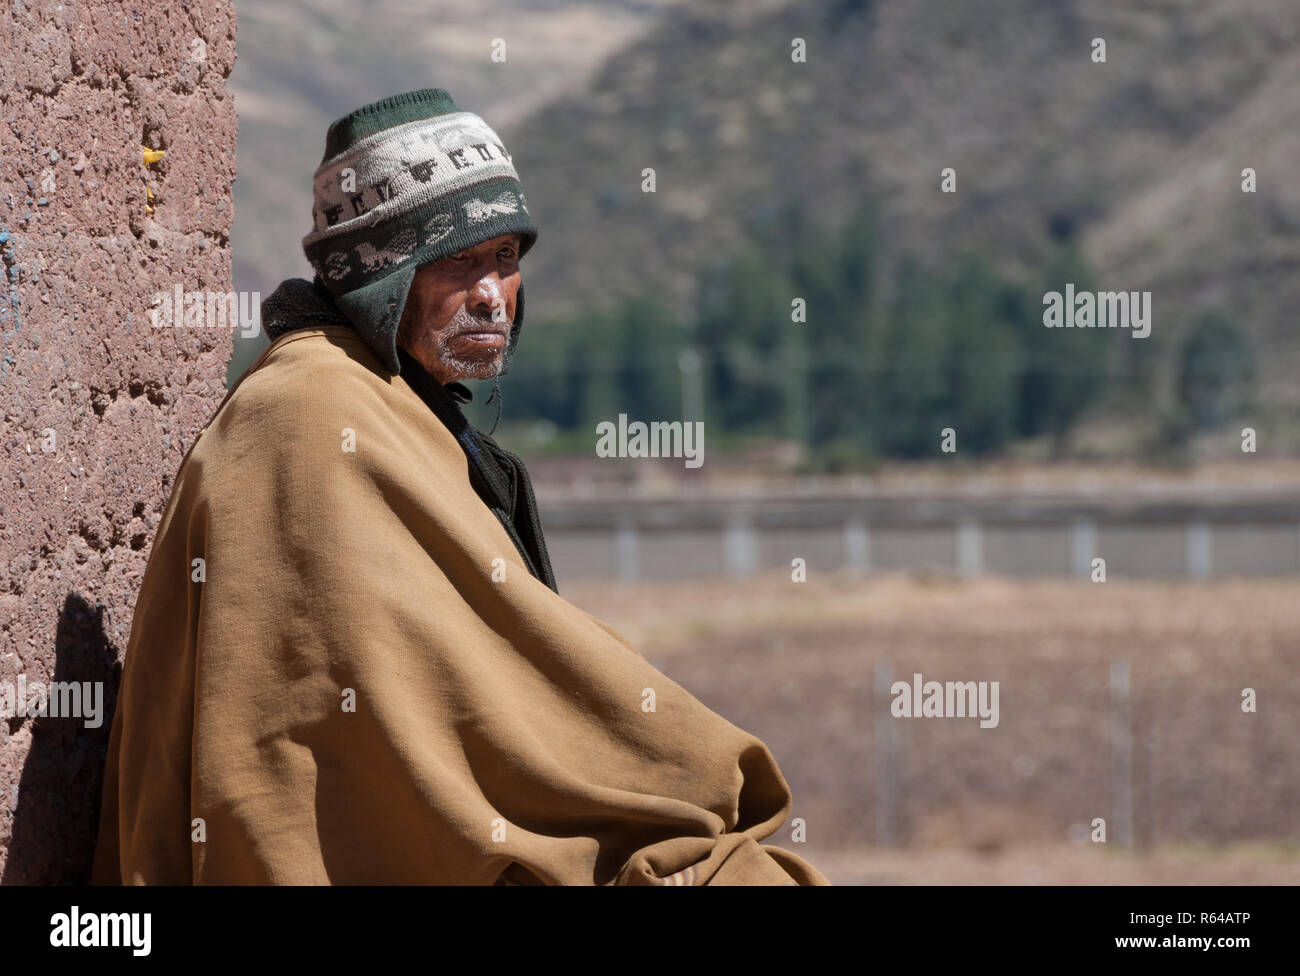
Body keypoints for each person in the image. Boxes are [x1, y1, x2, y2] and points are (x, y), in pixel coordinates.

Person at [91, 88, 829, 885]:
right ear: (382, 276)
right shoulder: (311, 417)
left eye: (506, 259)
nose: (491, 293)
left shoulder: (398, 405)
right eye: (458, 261)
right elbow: (371, 729)